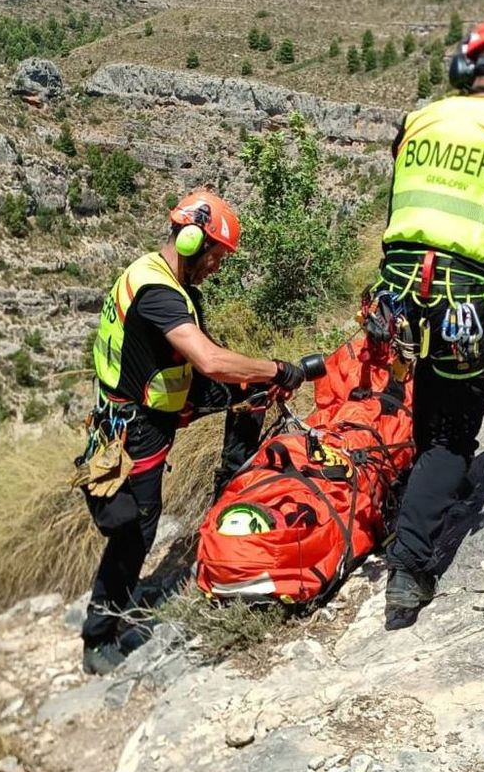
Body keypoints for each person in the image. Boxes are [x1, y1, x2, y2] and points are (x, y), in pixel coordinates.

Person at [80, 190, 311, 674]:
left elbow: (199, 363)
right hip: (138, 425)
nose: (217, 267)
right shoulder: (159, 292)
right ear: (192, 243)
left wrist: (256, 379)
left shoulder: (156, 273)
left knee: (249, 393)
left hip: (162, 398)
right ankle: (98, 634)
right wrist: (276, 368)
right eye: (217, 257)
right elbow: (207, 359)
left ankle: (228, 496)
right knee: (137, 529)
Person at [372, 16, 484, 629]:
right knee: (453, 432)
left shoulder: (418, 119)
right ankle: (410, 569)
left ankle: (426, 494)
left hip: (395, 292)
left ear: (465, 68)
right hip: (461, 293)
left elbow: (404, 200)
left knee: (426, 385)